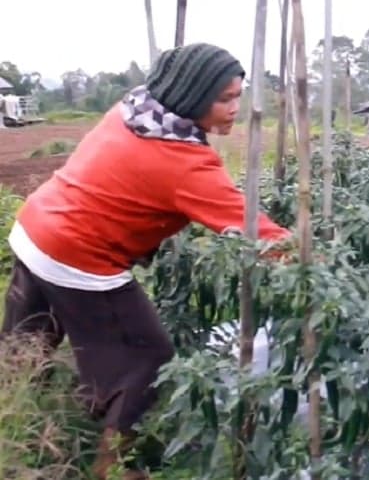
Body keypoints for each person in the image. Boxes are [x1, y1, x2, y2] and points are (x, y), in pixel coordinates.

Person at [1, 43, 292, 479]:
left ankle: (19, 425)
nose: (236, 108)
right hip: (78, 255)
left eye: (238, 96)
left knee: (25, 348)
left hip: (36, 230)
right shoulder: (184, 163)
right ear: (192, 96)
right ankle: (114, 469)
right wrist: (312, 263)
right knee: (147, 361)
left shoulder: (133, 110)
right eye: (225, 98)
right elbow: (257, 234)